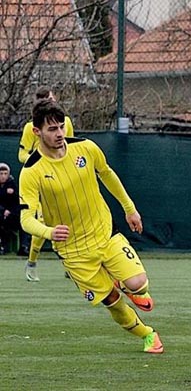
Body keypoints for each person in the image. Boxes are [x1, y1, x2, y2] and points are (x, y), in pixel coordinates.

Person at [19, 98, 163, 354]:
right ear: (36, 132)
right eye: (52, 129)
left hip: (104, 233)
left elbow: (107, 173)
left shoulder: (85, 147)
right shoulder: (31, 171)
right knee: (112, 301)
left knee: (138, 283)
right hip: (73, 251)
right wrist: (49, 232)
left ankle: (125, 285)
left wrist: (129, 208)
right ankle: (148, 335)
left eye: (61, 126)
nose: (60, 133)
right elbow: (26, 219)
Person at [19, 87, 75, 281]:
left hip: (64, 180)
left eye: (53, 98)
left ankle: (72, 264)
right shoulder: (30, 128)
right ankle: (32, 263)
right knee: (42, 225)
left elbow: (70, 147)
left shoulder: (66, 122)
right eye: (49, 99)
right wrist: (39, 160)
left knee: (71, 221)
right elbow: (21, 154)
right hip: (42, 182)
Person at [0, 163, 21, 255]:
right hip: (1, 215)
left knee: (24, 222)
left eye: (5, 174)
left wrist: (9, 211)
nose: (3, 176)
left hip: (12, 216)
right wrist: (3, 210)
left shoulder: (12, 185)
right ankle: (2, 246)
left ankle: (24, 247)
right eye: (1, 174)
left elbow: (17, 202)